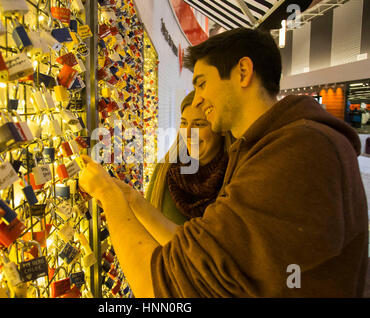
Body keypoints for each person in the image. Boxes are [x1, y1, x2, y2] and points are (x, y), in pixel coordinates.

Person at [79, 28, 368, 297]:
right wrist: (131, 199)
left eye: (202, 83)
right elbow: (205, 251)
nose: (199, 98)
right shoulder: (263, 148)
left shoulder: (298, 150)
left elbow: (163, 287)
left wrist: (108, 196)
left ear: (243, 71)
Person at [145, 90, 229, 230]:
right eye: (184, 123)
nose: (188, 133)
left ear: (221, 128)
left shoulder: (236, 174)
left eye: (199, 124)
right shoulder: (165, 170)